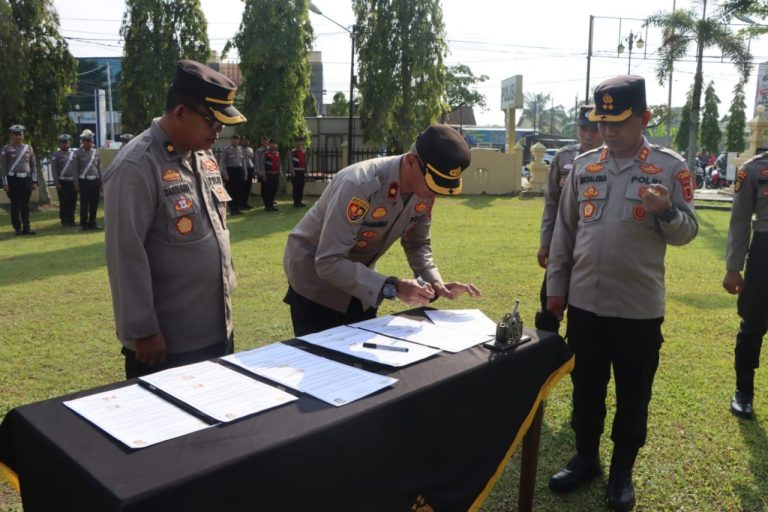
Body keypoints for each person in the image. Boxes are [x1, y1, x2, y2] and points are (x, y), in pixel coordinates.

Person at [546, 76, 698, 511]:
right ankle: (586, 458)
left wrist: (665, 210)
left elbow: (688, 232)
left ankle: (622, 472)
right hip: (586, 305)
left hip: (638, 310)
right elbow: (565, 233)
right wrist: (557, 288)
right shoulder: (585, 165)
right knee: (586, 388)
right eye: (603, 121)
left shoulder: (670, 169)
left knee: (634, 395)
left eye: (620, 121)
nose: (609, 130)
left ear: (645, 118)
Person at [102, 59, 245, 379]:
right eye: (212, 121)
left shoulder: (202, 155)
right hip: (168, 343)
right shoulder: (137, 165)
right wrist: (142, 330)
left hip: (216, 330)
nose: (218, 130)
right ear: (180, 112)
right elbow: (125, 253)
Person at [283, 124, 482, 336]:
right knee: (322, 362)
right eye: (432, 186)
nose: (434, 195)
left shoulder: (423, 192)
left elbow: (417, 243)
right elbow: (328, 261)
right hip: (315, 283)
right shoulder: (359, 184)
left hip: (361, 280)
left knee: (362, 360)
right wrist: (394, 286)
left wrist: (435, 281)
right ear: (411, 161)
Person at [535, 105, 603, 333]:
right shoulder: (563, 157)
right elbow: (551, 203)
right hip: (560, 244)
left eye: (594, 129)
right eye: (584, 128)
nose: (589, 135)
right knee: (549, 305)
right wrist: (546, 242)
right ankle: (547, 358)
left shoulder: (609, 160)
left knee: (584, 311)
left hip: (590, 246)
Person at [723, 152, 768, 420]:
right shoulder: (753, 170)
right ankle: (744, 392)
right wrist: (733, 267)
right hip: (765, 250)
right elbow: (740, 219)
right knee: (753, 324)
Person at [0, 124, 37, 235]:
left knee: (25, 205)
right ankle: (17, 228)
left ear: (23, 135)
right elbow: (3, 167)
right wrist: (5, 183)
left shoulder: (28, 148)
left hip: (25, 179)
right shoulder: (6, 149)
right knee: (15, 204)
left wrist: (34, 181)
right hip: (13, 180)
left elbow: (33, 165)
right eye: (16, 135)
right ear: (11, 136)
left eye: (20, 134)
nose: (18, 137)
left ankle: (27, 227)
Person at [73, 129, 102, 230]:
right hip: (84, 181)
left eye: (91, 140)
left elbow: (99, 167)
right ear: (83, 141)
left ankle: (92, 222)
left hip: (94, 180)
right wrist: (76, 184)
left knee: (94, 202)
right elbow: (75, 170)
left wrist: (100, 182)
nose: (90, 142)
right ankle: (84, 224)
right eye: (88, 141)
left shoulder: (96, 152)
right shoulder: (77, 153)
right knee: (84, 204)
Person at [50, 133, 78, 227]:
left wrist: (76, 183)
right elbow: (54, 170)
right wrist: (57, 183)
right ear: (59, 144)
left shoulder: (74, 154)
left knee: (72, 201)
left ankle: (71, 219)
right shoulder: (56, 155)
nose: (65, 144)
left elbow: (77, 169)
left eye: (66, 142)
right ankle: (64, 220)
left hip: (72, 181)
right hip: (62, 182)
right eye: (63, 143)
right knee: (64, 202)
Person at [219, 133, 245, 215]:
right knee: (231, 191)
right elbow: (222, 162)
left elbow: (243, 162)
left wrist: (245, 173)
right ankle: (232, 209)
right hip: (231, 171)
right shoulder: (226, 149)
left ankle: (237, 208)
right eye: (234, 139)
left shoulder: (241, 149)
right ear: (231, 140)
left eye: (237, 140)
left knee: (239, 190)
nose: (235, 141)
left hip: (239, 171)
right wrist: (225, 174)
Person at [288, 136, 309, 207]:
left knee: (301, 186)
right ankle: (296, 202)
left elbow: (306, 162)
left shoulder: (304, 151)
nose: (299, 143)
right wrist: (292, 171)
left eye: (301, 141)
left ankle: (299, 201)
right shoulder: (292, 151)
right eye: (298, 141)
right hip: (295, 171)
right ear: (295, 143)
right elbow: (290, 163)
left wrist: (307, 172)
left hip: (302, 171)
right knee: (296, 187)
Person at [262, 139, 281, 211]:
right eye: (271, 144)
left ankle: (271, 205)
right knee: (268, 190)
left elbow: (279, 164)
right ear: (269, 145)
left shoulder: (277, 153)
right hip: (268, 174)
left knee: (274, 190)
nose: (273, 145)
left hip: (276, 174)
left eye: (274, 144)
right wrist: (263, 175)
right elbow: (262, 164)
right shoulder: (265, 153)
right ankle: (267, 206)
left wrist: (280, 173)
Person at [240, 136, 255, 209]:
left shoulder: (250, 150)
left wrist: (254, 170)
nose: (245, 142)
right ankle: (241, 204)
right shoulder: (238, 149)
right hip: (242, 170)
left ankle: (245, 203)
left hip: (250, 169)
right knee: (242, 187)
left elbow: (252, 160)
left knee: (248, 187)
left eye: (247, 141)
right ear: (241, 141)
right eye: (244, 140)